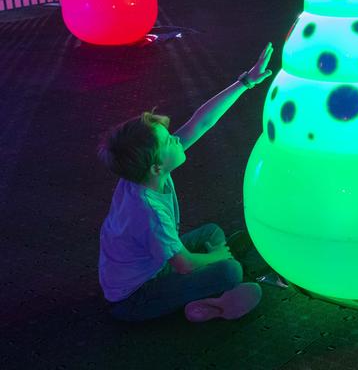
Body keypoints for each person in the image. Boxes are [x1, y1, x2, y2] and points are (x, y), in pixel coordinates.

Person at [97, 43, 274, 323]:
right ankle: (207, 304)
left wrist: (245, 82)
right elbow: (184, 264)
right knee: (229, 270)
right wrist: (216, 258)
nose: (177, 138)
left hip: (147, 267)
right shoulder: (149, 212)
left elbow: (200, 123)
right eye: (169, 140)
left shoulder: (143, 174)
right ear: (157, 165)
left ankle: (210, 281)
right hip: (134, 298)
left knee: (212, 232)